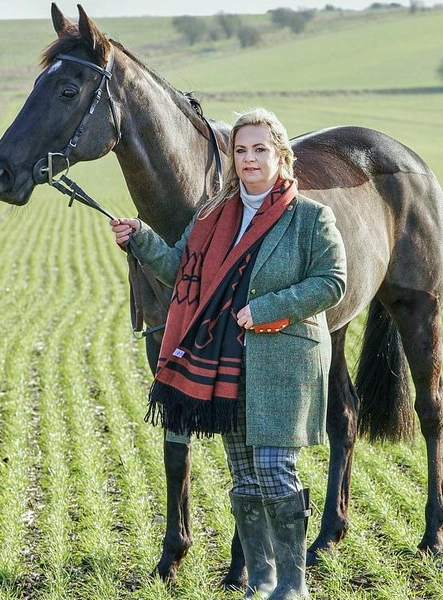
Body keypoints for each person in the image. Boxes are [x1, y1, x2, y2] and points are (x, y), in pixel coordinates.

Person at [110, 108, 347, 600]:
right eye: (241, 150)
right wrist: (140, 240)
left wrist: (266, 307)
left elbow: (332, 283)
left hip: (282, 361)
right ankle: (260, 581)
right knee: (243, 475)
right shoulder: (214, 217)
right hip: (225, 364)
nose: (249, 159)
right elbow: (181, 272)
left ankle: (292, 585)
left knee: (275, 469)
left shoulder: (310, 218)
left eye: (260, 149)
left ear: (282, 155)